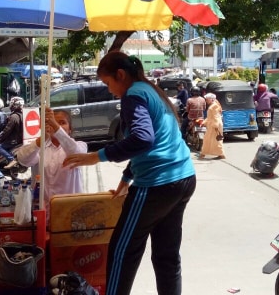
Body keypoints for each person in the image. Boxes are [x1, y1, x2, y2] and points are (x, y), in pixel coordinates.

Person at [61, 51, 196, 295]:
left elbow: (143, 139)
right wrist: (125, 179)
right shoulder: (151, 90)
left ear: (120, 75)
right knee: (167, 256)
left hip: (156, 185)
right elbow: (153, 144)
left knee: (121, 252)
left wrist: (96, 156)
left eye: (108, 83)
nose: (110, 90)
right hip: (183, 178)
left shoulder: (133, 94)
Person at [16, 107, 87, 216]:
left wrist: (55, 125)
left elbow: (77, 155)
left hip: (70, 212)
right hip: (42, 212)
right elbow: (22, 159)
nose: (56, 125)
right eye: (53, 122)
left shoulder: (80, 146)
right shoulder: (40, 148)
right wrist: (41, 139)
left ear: (70, 129)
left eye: (62, 123)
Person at [0, 96, 24, 179]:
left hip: (12, 140)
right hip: (18, 140)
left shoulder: (14, 117)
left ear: (15, 105)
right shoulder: (21, 115)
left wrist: (0, 138)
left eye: (12, 104)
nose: (10, 106)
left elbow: (7, 130)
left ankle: (10, 160)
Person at [198, 93, 225, 160]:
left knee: (216, 140)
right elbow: (210, 117)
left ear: (211, 99)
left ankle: (220, 154)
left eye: (207, 99)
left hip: (215, 126)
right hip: (213, 125)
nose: (206, 100)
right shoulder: (214, 105)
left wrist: (215, 126)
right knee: (208, 140)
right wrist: (204, 122)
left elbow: (216, 117)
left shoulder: (214, 106)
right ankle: (203, 153)